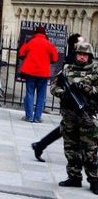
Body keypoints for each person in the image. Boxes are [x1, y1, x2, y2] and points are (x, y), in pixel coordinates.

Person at [51, 42, 98, 194]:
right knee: (71, 149)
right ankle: (74, 177)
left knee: (90, 151)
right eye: (80, 54)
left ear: (89, 56)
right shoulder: (66, 70)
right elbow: (53, 86)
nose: (82, 57)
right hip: (69, 117)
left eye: (85, 55)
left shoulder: (95, 71)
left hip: (87, 117)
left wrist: (89, 89)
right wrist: (62, 93)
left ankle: (94, 180)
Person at [31, 33, 83, 161]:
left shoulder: (82, 58)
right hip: (73, 102)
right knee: (70, 128)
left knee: (65, 128)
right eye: (81, 42)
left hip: (82, 101)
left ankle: (40, 145)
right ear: (75, 45)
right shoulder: (72, 60)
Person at [19, 26, 58, 122]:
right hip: (43, 73)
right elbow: (55, 58)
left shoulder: (30, 41)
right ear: (45, 33)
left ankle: (29, 116)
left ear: (35, 33)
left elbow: (21, 53)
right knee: (41, 95)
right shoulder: (49, 43)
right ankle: (37, 117)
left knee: (29, 93)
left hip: (30, 72)